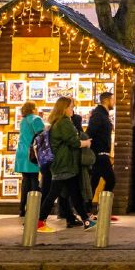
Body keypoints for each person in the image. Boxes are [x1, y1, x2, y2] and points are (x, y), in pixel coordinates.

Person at [37, 97, 94, 232]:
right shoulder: (64, 123)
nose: (72, 110)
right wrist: (86, 143)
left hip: (64, 164)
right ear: (64, 108)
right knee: (53, 194)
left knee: (74, 193)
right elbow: (73, 142)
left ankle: (86, 220)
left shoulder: (57, 122)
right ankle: (39, 222)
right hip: (64, 164)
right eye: (71, 107)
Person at [14, 101, 44, 217]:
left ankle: (22, 208)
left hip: (22, 152)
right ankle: (33, 208)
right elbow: (41, 134)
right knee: (34, 180)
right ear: (32, 109)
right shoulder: (36, 119)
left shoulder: (23, 120)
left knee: (26, 180)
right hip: (31, 153)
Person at [87, 91, 116, 208]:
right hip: (99, 155)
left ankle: (88, 209)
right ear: (106, 100)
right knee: (111, 180)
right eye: (113, 99)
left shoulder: (103, 114)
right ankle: (103, 208)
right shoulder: (98, 115)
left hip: (101, 154)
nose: (114, 102)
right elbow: (90, 132)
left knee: (93, 182)